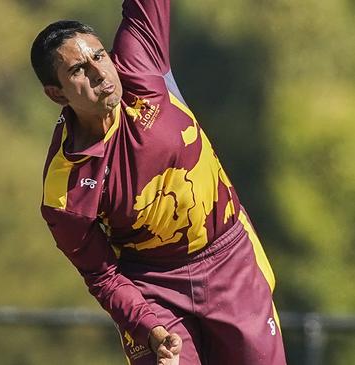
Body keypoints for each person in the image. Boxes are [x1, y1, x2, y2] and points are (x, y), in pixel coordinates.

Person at [30, 1, 288, 364]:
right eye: (78, 70)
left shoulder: (139, 65)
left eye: (100, 56)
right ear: (56, 93)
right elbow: (103, 277)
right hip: (152, 287)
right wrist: (149, 327)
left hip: (228, 258)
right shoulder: (65, 192)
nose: (100, 74)